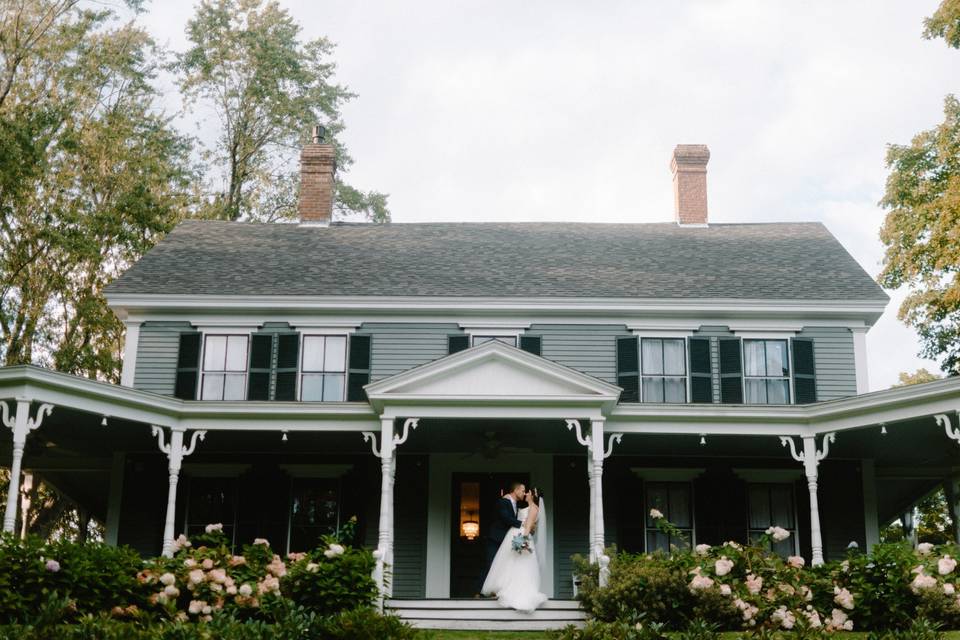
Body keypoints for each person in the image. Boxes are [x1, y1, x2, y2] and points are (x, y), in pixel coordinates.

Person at [480, 487, 548, 613]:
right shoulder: (526, 506)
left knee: (521, 566)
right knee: (511, 564)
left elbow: (528, 526)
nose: (526, 494)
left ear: (532, 496)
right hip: (516, 535)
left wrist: (522, 540)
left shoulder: (533, 508)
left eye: (528, 492)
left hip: (522, 536)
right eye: (525, 491)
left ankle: (517, 593)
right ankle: (506, 588)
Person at [478, 481, 525, 595]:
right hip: (495, 539)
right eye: (523, 491)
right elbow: (505, 518)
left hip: (505, 540)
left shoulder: (515, 504)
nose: (524, 493)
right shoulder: (503, 502)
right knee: (490, 564)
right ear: (516, 490)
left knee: (502, 566)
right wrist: (523, 523)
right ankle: (479, 592)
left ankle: (497, 591)